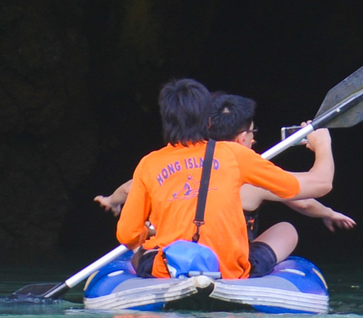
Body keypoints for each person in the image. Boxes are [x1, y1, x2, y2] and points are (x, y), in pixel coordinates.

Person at [99, 79, 333, 278]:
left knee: (143, 250)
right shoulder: (235, 155)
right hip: (230, 270)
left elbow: (127, 236)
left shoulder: (148, 164)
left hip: (168, 269)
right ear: (207, 121)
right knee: (285, 230)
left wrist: (149, 233)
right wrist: (323, 144)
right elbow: (321, 184)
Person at [206, 90, 352, 270]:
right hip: (231, 265)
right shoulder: (250, 172)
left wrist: (327, 212)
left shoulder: (179, 164)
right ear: (242, 138)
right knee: (286, 230)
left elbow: (301, 202)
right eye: (253, 132)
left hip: (185, 258)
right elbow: (309, 196)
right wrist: (323, 143)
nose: (254, 139)